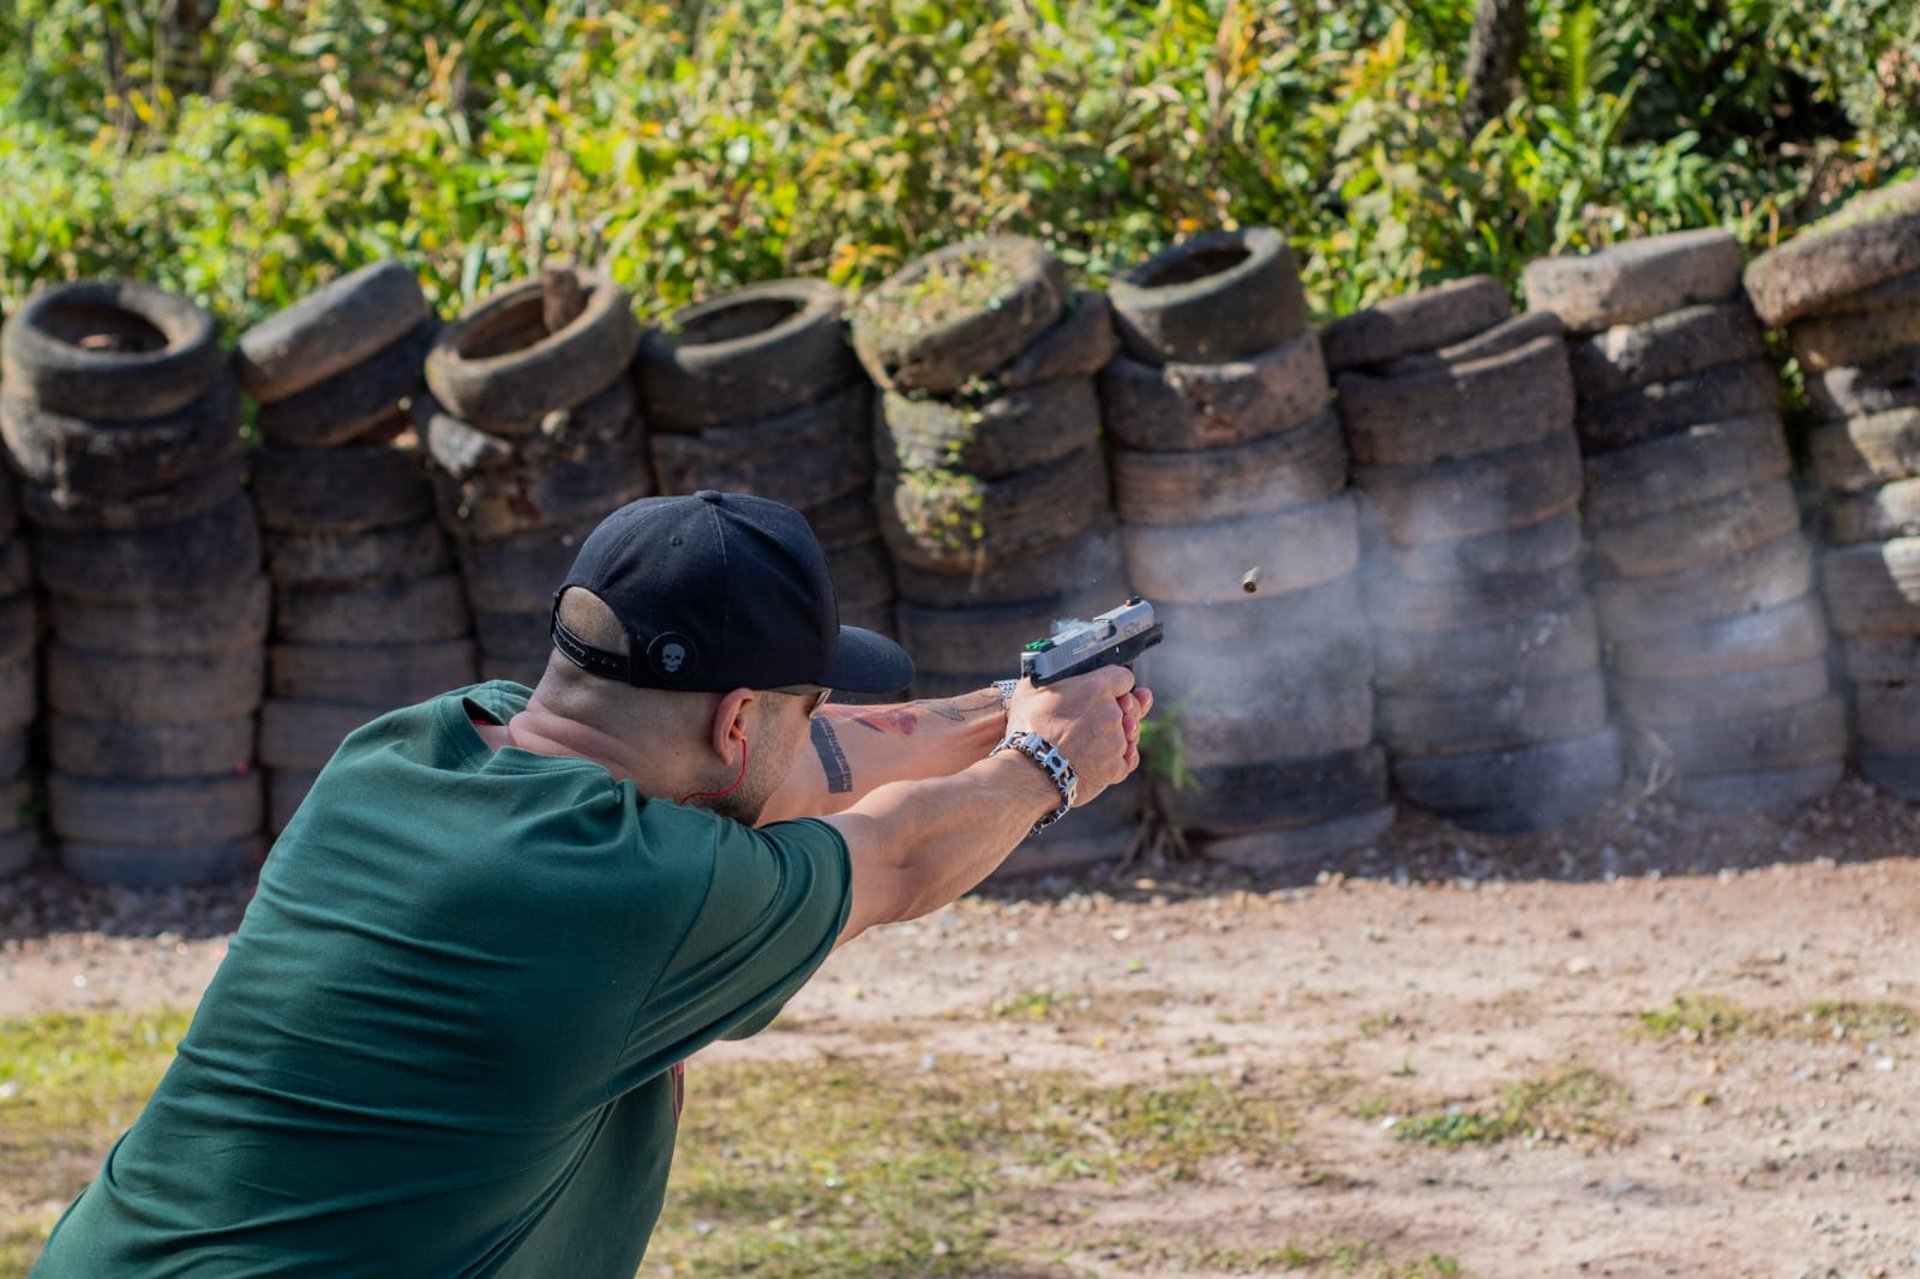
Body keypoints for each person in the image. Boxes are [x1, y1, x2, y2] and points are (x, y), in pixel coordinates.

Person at [33, 489, 1151, 1278]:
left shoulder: (417, 747)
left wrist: (1008, 707)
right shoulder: (637, 890)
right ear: (734, 719)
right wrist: (1048, 766)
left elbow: (788, 764)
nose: (817, 729)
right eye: (803, 704)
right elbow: (896, 853)